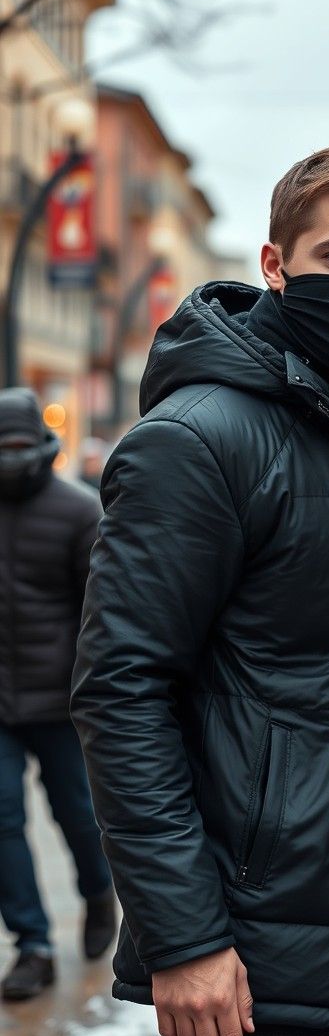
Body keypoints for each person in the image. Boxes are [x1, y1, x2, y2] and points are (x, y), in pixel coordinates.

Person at [71, 143, 329, 1036]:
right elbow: (120, 690)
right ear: (274, 264)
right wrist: (184, 937)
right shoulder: (197, 440)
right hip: (247, 948)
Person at [0, 388, 115, 1002]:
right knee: (3, 823)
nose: (11, 457)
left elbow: (101, 615)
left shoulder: (78, 512)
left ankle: (99, 895)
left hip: (63, 703)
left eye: (20, 446)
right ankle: (33, 945)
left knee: (78, 815)